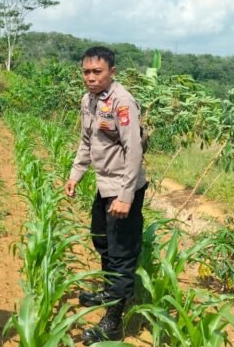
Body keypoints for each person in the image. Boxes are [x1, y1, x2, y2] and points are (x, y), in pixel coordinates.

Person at [64, 46, 148, 344]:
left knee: (121, 253)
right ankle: (109, 292)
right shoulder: (88, 100)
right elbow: (86, 141)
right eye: (86, 72)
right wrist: (75, 174)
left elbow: (134, 150)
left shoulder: (122, 102)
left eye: (97, 72)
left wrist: (125, 197)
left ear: (112, 72)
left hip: (123, 187)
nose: (90, 77)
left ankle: (113, 320)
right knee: (102, 241)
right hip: (104, 186)